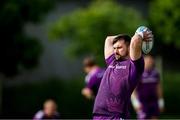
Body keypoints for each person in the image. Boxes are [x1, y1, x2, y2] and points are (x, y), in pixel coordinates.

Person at [93, 27, 153, 119]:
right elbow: (108, 39)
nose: (115, 51)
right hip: (99, 116)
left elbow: (135, 41)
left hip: (116, 116)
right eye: (114, 48)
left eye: (120, 47)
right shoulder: (112, 61)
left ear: (129, 48)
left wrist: (140, 35)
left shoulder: (134, 65)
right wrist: (126, 38)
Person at [131, 55, 164, 119]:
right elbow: (133, 89)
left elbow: (158, 88)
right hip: (142, 101)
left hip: (153, 100)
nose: (150, 63)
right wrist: (135, 102)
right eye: (148, 61)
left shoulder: (155, 73)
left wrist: (161, 102)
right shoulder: (138, 73)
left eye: (151, 61)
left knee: (154, 118)